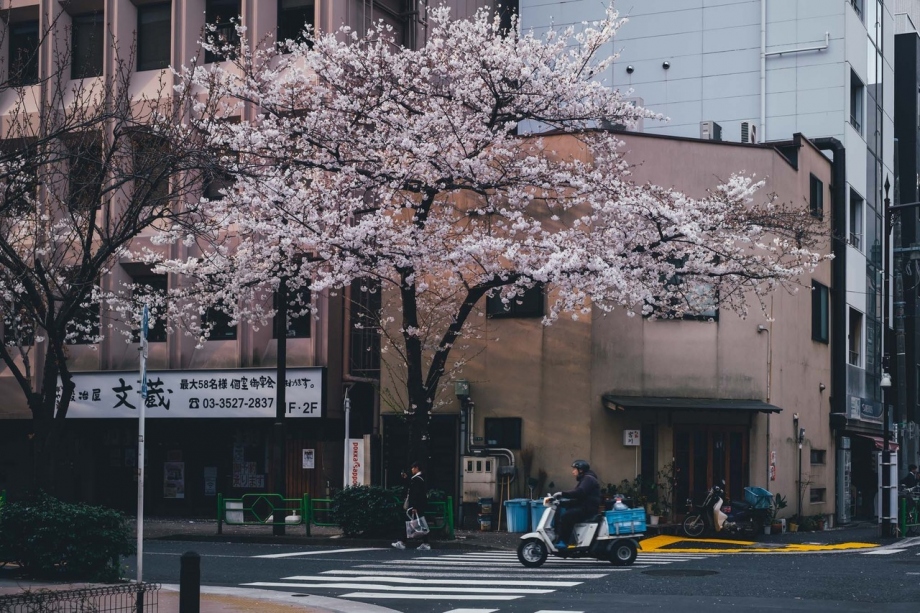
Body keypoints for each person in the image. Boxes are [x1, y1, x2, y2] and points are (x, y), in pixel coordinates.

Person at [553, 459, 601, 548]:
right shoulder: (585, 479)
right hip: (585, 506)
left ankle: (564, 541)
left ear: (581, 470)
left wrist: (562, 494)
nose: (573, 472)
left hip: (588, 509)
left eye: (574, 469)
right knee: (564, 512)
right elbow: (580, 498)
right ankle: (563, 538)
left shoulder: (588, 479)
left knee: (566, 516)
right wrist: (563, 503)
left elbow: (580, 492)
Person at [392, 461, 431, 550]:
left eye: (413, 468)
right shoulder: (420, 478)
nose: (412, 469)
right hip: (419, 505)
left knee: (411, 523)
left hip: (416, 505)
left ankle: (403, 542)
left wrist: (414, 506)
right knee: (419, 523)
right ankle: (425, 543)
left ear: (417, 468)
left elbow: (415, 493)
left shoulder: (417, 479)